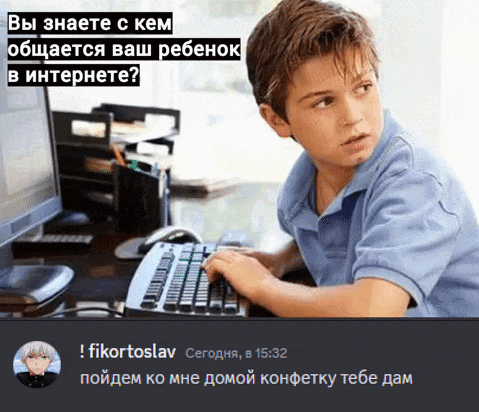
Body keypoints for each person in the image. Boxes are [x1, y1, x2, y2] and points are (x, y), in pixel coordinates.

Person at [202, 0, 479, 317]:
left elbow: (374, 311)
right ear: (276, 120)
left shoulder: (415, 180)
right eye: (323, 102)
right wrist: (280, 261)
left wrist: (263, 286)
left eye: (363, 87)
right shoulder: (305, 181)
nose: (353, 116)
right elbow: (340, 243)